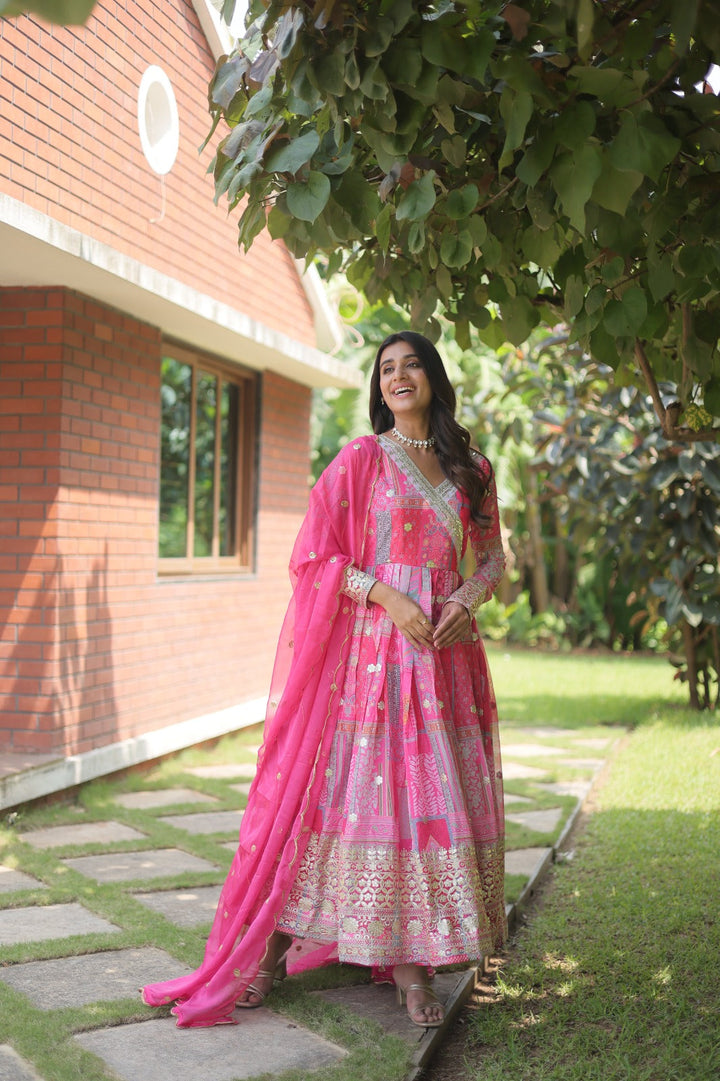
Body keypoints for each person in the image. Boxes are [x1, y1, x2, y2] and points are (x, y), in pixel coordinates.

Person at [142, 330, 506, 1030]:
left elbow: (492, 559)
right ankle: (269, 951)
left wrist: (465, 598)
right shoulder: (361, 460)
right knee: (344, 803)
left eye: (411, 366)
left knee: (426, 810)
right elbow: (315, 554)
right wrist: (387, 595)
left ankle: (414, 961)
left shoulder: (473, 467)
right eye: (386, 370)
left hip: (448, 663)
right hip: (375, 663)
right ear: (379, 388)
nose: (399, 377)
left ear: (433, 376)